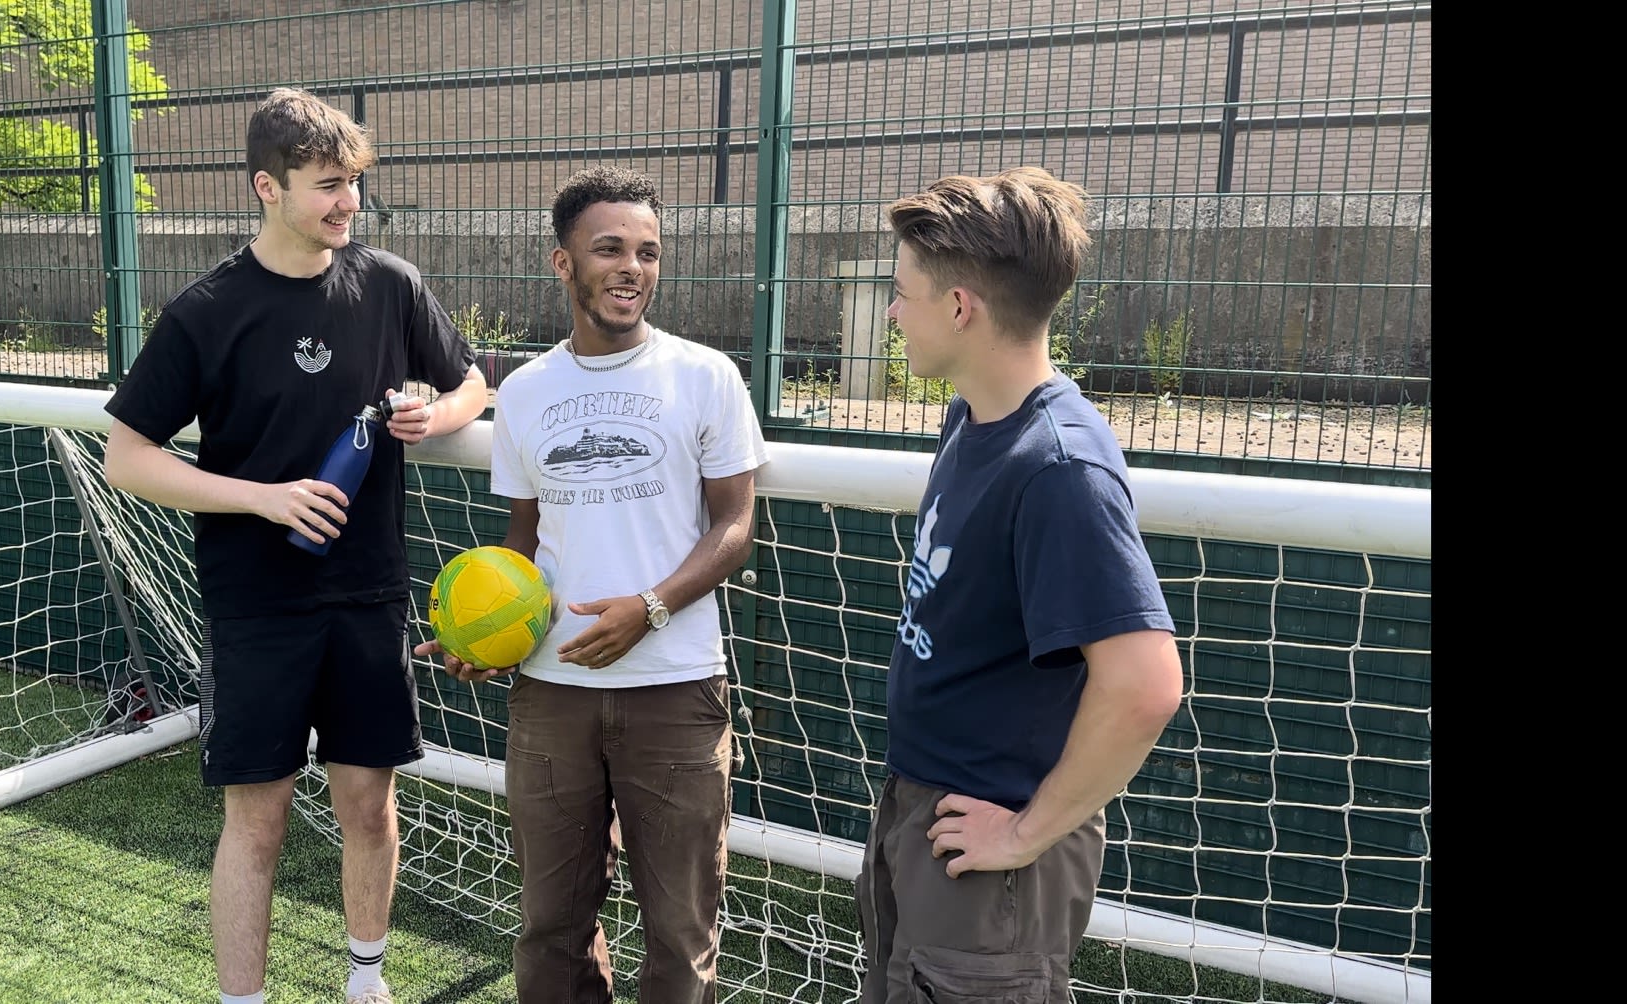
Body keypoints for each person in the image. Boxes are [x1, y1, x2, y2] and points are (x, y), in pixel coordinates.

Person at [101, 86, 489, 1004]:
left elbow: (474, 383)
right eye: (326, 185)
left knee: (369, 804)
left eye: (353, 182)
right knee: (259, 822)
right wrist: (262, 500)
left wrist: (436, 413)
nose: (347, 202)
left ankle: (367, 981)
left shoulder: (390, 284)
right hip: (257, 603)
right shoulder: (207, 311)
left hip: (368, 594)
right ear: (265, 188)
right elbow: (127, 457)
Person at [416, 165, 769, 1004]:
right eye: (608, 248)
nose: (632, 268)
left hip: (676, 689)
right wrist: (489, 636)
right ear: (562, 262)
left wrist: (649, 610)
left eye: (648, 252)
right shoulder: (530, 391)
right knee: (549, 927)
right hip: (551, 691)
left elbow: (735, 527)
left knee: (682, 935)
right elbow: (524, 545)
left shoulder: (706, 375)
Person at [853, 167, 1186, 1002]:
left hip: (990, 845)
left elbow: (1145, 687)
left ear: (960, 307)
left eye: (902, 293)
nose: (893, 312)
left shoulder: (1059, 469)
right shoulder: (971, 416)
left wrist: (1027, 832)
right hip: (923, 809)